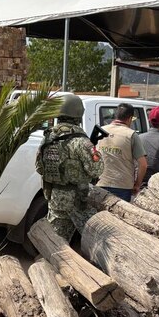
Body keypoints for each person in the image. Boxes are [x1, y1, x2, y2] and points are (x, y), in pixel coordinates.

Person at [35, 94, 104, 240]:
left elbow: (39, 167)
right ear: (78, 114)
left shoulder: (48, 138)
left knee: (56, 243)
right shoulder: (81, 142)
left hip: (56, 200)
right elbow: (97, 169)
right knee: (99, 241)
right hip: (80, 202)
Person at [96, 103, 147, 200]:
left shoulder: (100, 130)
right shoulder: (131, 134)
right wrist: (137, 184)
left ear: (116, 116)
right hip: (122, 186)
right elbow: (143, 164)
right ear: (130, 118)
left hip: (100, 182)